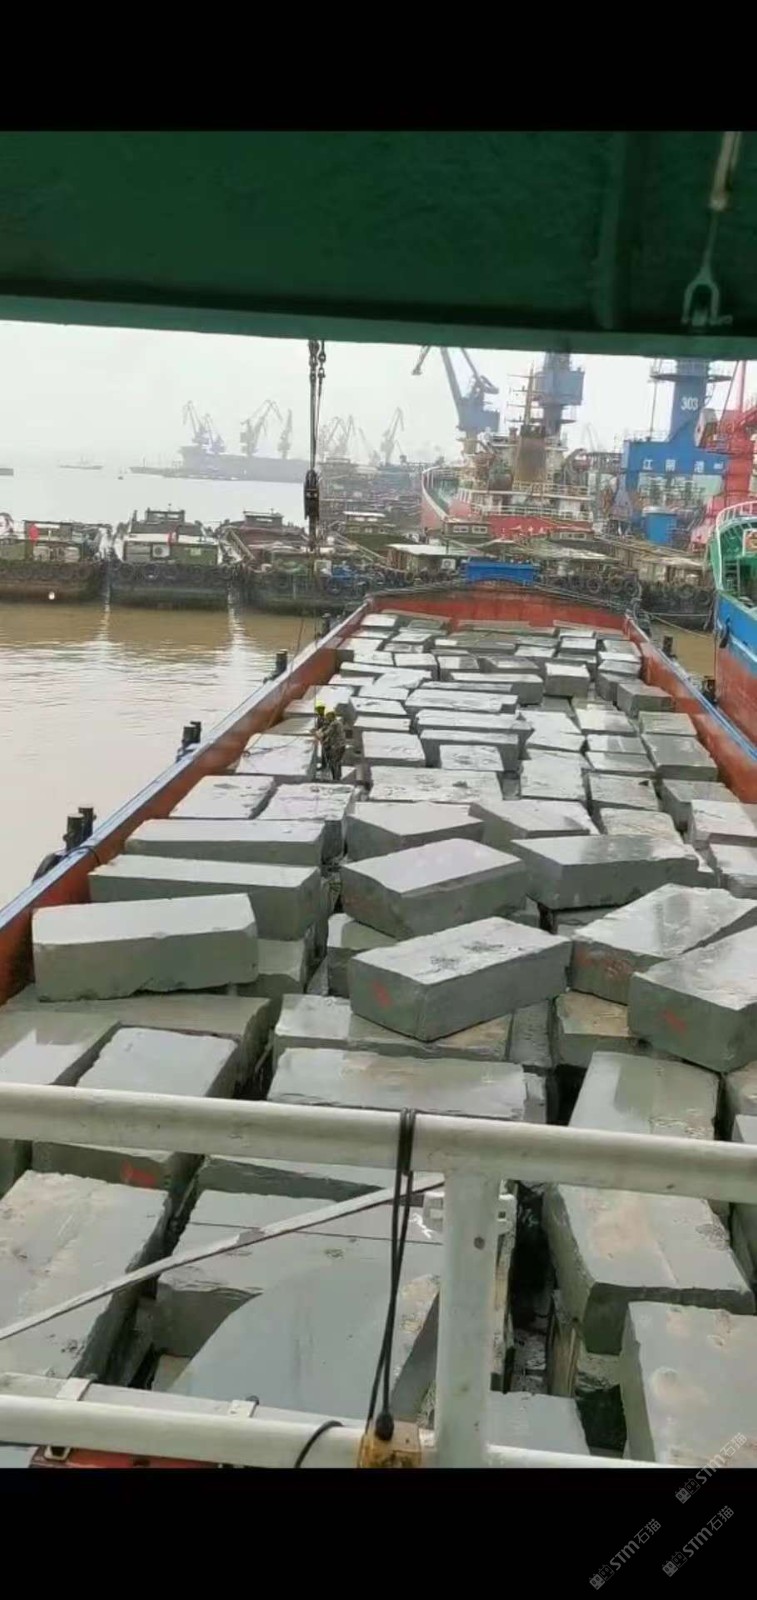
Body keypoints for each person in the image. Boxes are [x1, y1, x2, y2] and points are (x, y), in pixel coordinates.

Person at [320, 708, 347, 782]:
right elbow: (332, 735)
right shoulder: (338, 722)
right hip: (341, 745)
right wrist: (326, 741)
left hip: (337, 746)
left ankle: (335, 779)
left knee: (334, 762)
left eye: (327, 717)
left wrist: (318, 734)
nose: (326, 719)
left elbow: (327, 733)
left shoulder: (334, 724)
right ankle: (338, 777)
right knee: (338, 762)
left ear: (331, 717)